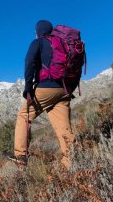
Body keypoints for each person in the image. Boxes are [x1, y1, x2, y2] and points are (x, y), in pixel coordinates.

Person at [11, 20, 77, 169]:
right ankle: (71, 161)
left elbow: (29, 63)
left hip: (46, 88)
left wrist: (28, 89)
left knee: (23, 115)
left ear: (38, 31)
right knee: (63, 127)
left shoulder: (38, 42)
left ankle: (21, 156)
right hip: (64, 90)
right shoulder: (62, 43)